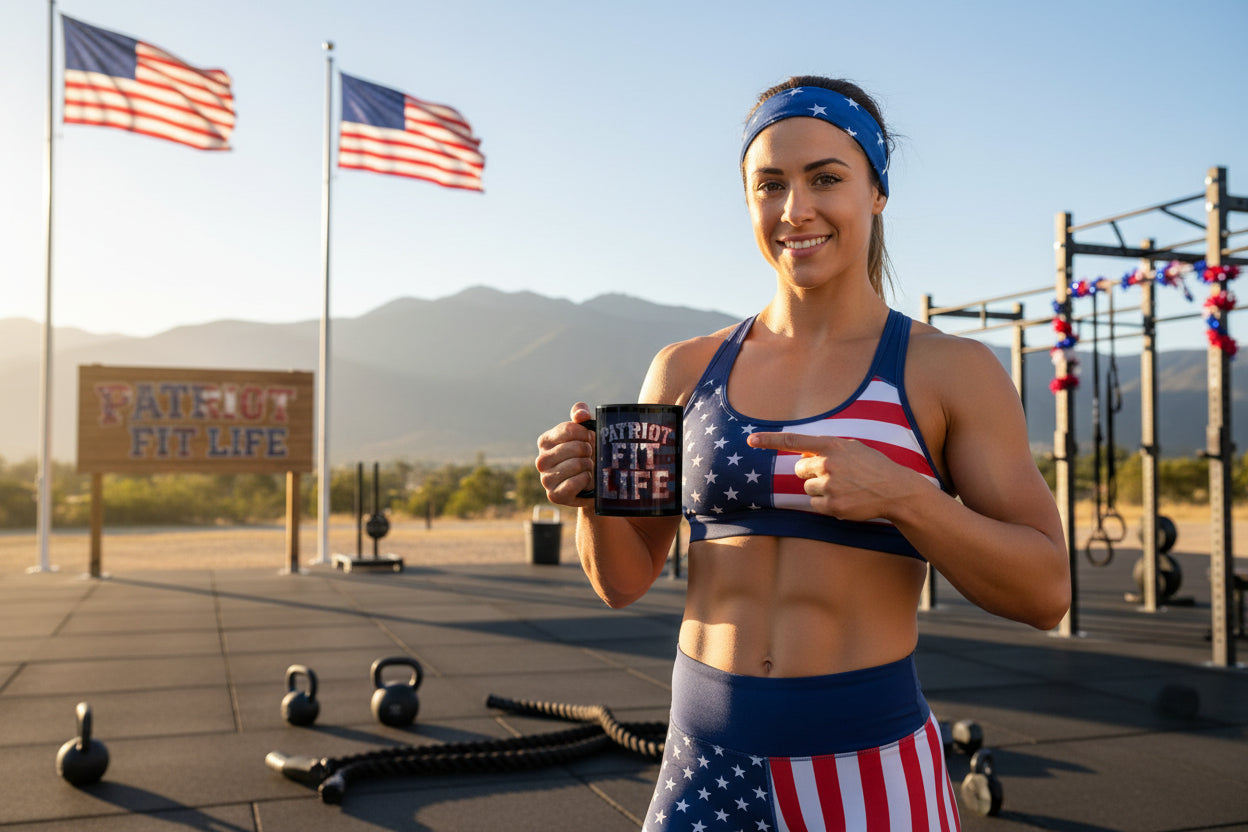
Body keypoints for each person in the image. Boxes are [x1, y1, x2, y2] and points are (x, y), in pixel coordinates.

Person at [534, 75, 1069, 832]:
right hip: (703, 763)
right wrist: (589, 496)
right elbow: (622, 581)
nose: (796, 210)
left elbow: (1047, 591)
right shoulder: (681, 371)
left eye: (826, 178)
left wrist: (905, 498)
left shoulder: (950, 371)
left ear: (876, 192)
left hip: (866, 768)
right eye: (770, 184)